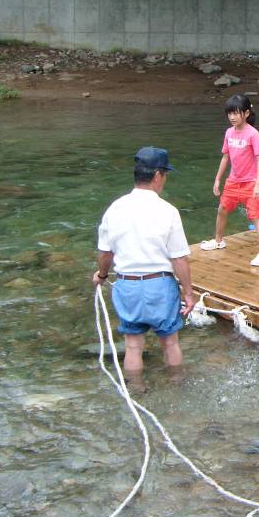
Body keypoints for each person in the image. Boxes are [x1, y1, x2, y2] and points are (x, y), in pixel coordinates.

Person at [92, 147, 196, 376]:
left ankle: (137, 390)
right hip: (159, 285)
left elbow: (105, 254)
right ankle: (176, 388)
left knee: (132, 346)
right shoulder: (167, 211)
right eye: (165, 174)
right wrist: (188, 292)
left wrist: (101, 275)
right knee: (170, 343)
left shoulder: (115, 208)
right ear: (158, 175)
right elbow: (179, 258)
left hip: (127, 285)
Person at [200, 95, 259, 267]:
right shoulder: (229, 133)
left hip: (250, 182)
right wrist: (217, 179)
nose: (232, 117)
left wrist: (258, 183)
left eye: (236, 113)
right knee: (222, 209)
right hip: (233, 181)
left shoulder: (253, 133)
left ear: (246, 113)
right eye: (229, 113)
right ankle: (218, 241)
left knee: (255, 216)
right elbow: (225, 157)